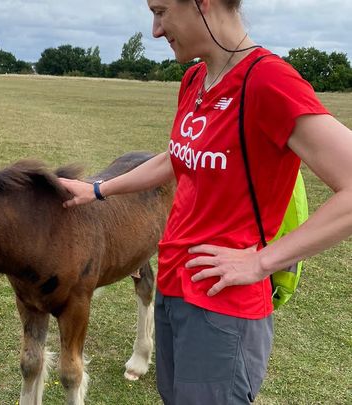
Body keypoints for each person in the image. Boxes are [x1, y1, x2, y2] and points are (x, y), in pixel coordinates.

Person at [58, 0, 352, 403]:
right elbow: (174, 157)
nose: (156, 30)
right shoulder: (197, 77)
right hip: (175, 287)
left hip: (224, 308)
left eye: (161, 11)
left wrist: (261, 261)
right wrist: (97, 190)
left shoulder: (268, 81)